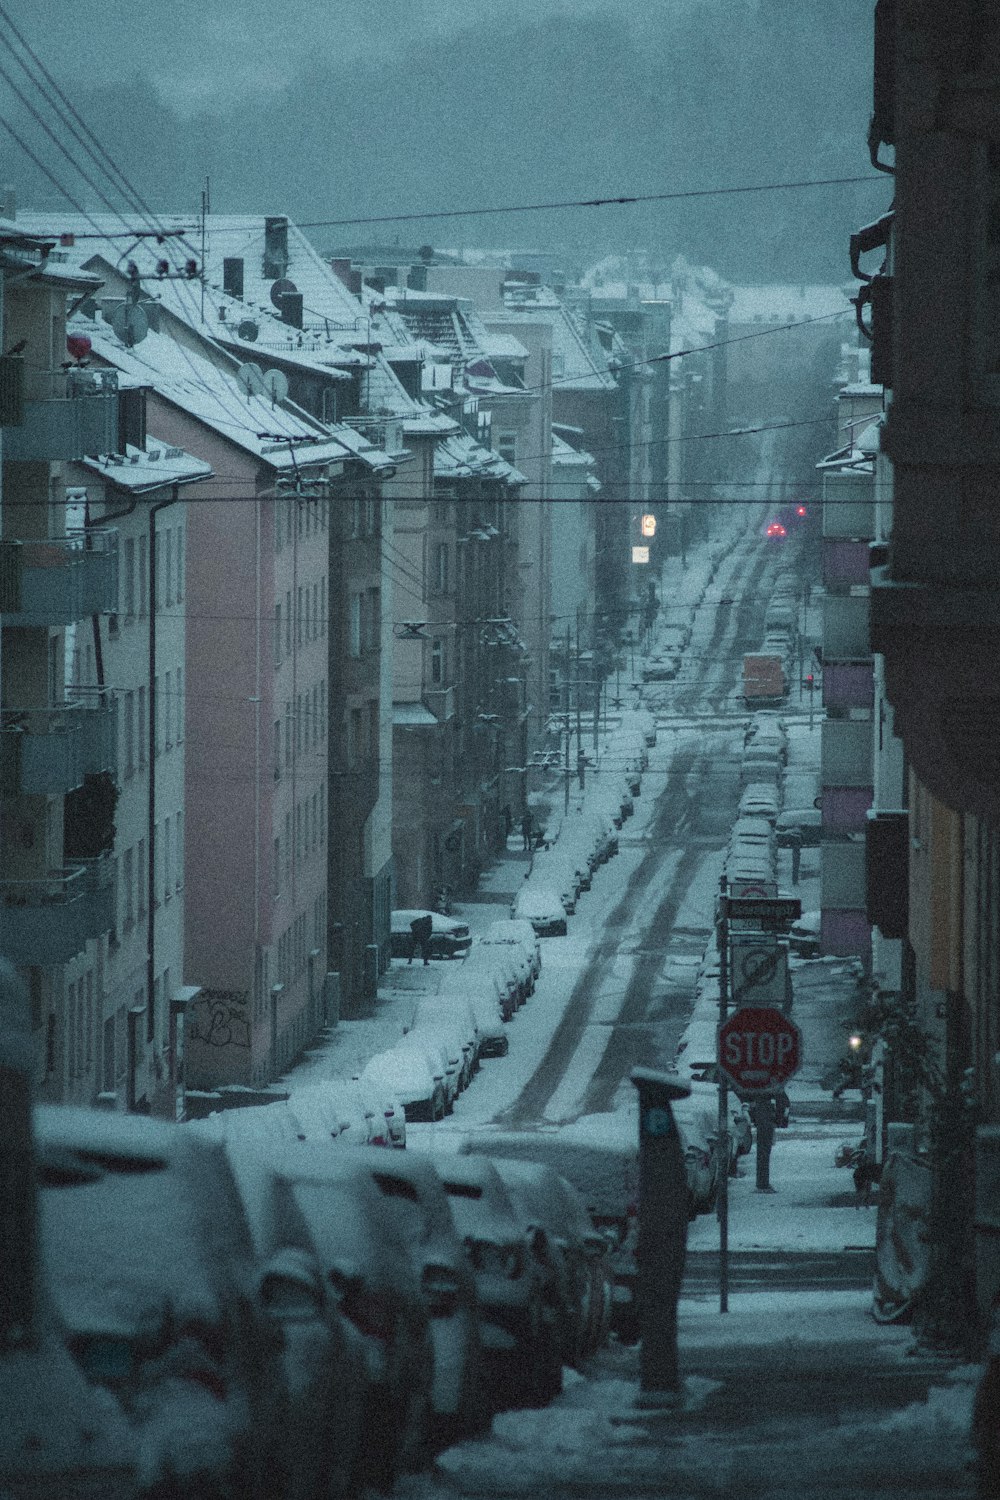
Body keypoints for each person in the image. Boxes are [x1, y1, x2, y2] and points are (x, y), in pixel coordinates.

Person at [750, 1094, 778, 1191]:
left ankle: (762, 1182)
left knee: (763, 1152)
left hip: (766, 1123)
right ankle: (762, 1183)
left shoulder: (764, 1100)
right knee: (763, 1152)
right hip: (765, 1124)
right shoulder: (764, 1101)